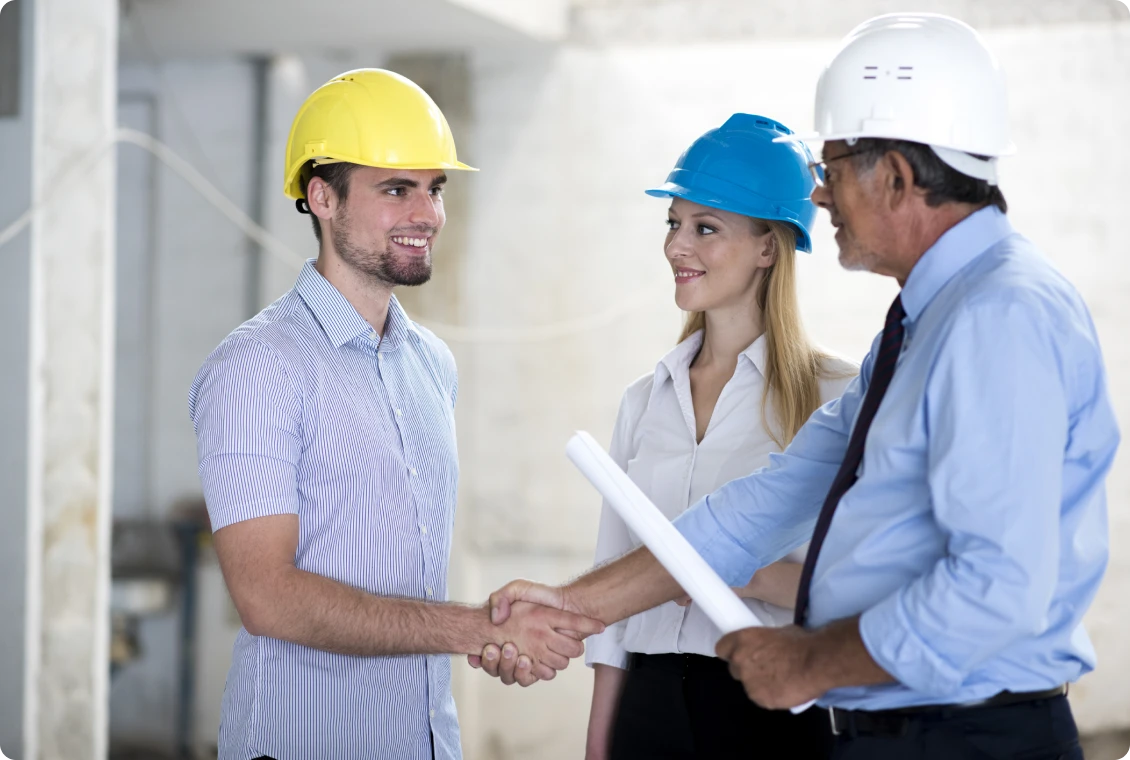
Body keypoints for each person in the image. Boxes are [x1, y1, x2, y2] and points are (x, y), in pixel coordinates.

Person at [473, 15, 1119, 760]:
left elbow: (995, 587)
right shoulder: (923, 324)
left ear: (897, 177)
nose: (818, 195)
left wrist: (808, 661)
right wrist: (576, 605)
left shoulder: (999, 317)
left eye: (832, 168)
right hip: (905, 733)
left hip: (969, 738)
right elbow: (766, 502)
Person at [188, 68, 602, 760]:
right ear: (322, 197)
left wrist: (490, 636)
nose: (427, 214)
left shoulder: (431, 364)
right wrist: (477, 629)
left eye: (434, 188)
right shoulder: (258, 366)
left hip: (424, 741)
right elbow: (267, 596)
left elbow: (411, 589)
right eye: (395, 189)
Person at [580, 114, 855, 760]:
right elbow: (611, 601)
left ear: (768, 248)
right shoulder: (645, 402)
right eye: (673, 223)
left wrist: (743, 573)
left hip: (766, 708)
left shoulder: (836, 399)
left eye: (705, 228)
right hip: (646, 704)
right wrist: (599, 743)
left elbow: (858, 592)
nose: (677, 246)